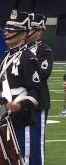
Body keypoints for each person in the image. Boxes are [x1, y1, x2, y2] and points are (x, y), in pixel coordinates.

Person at [0, 10, 41, 164]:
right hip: (5, 113)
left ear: (22, 34)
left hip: (23, 117)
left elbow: (36, 91)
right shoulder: (6, 56)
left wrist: (20, 104)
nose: (7, 33)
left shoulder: (29, 58)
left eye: (12, 30)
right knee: (9, 157)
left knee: (24, 158)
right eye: (7, 29)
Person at [26, 12, 53, 164]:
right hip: (22, 100)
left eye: (32, 29)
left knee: (37, 142)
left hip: (39, 101)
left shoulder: (45, 50)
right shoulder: (21, 49)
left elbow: (44, 73)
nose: (28, 32)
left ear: (40, 31)